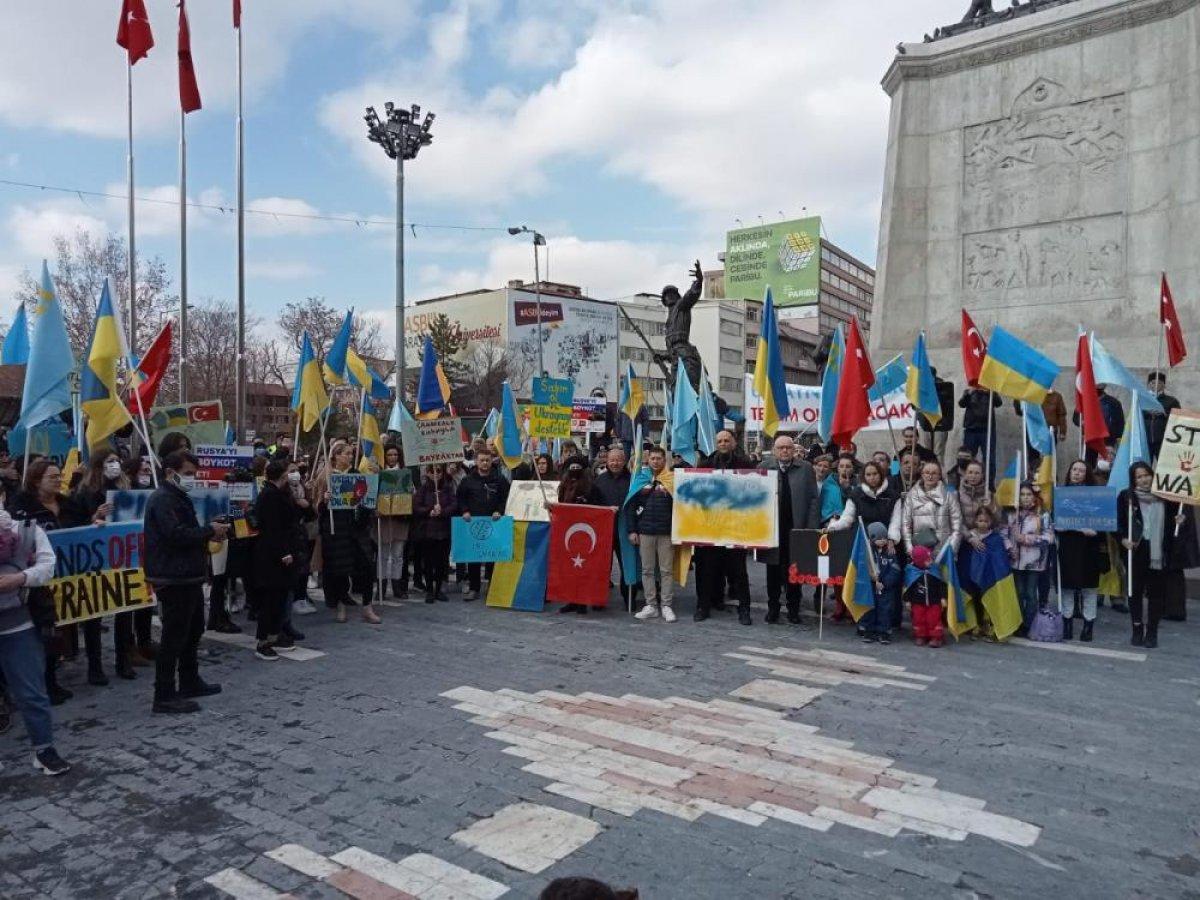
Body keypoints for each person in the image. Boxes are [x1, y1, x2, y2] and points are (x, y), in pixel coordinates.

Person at [143, 451, 230, 714]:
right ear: (171, 472)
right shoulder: (162, 499)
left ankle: (189, 680)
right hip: (173, 576)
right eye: (189, 473)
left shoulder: (178, 497)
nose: (193, 478)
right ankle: (165, 693)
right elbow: (176, 535)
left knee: (192, 630)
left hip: (188, 574)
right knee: (173, 636)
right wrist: (209, 531)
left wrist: (208, 532)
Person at [0, 488, 71, 775]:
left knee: (31, 691)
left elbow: (48, 565)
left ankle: (44, 750)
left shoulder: (26, 530)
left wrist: (21, 578)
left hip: (17, 624)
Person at [66, 452, 138, 681]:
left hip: (122, 557)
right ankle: (95, 667)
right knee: (93, 615)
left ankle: (123, 661)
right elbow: (73, 526)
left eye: (117, 460)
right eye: (109, 461)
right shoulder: (83, 493)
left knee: (125, 612)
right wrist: (94, 516)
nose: (115, 464)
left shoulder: (126, 489)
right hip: (95, 559)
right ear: (99, 465)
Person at [9, 460, 72, 705]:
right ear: (36, 480)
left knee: (54, 632)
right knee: (38, 633)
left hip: (65, 578)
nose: (58, 481)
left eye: (59, 477)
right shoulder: (21, 508)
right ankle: (37, 684)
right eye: (52, 477)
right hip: (34, 581)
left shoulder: (67, 503)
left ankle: (52, 681)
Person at [1118, 461, 1186, 649]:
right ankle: (1137, 629)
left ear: (1152, 475)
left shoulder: (1166, 496)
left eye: (1146, 474)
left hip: (1158, 551)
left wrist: (1180, 521)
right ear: (1134, 480)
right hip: (1136, 550)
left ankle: (1152, 632)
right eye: (1139, 476)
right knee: (1135, 592)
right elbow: (1120, 524)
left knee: (1156, 593)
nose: (1144, 479)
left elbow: (1174, 526)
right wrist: (1123, 539)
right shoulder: (1126, 497)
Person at [315, 440, 382, 624]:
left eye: (352, 454)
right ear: (336, 456)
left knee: (367, 568)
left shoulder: (356, 475)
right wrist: (325, 501)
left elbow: (365, 497)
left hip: (356, 529)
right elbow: (318, 508)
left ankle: (367, 607)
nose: (351, 457)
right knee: (339, 571)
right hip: (336, 530)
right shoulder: (326, 476)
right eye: (347, 454)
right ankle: (340, 606)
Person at [758, 435, 820, 626]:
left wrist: (809, 528)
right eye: (781, 448)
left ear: (794, 450)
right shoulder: (764, 468)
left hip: (796, 527)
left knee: (794, 571)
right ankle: (773, 609)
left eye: (788, 448)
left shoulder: (805, 469)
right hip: (773, 530)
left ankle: (794, 609)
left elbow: (813, 499)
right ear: (774, 451)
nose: (785, 451)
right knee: (773, 571)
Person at [695, 431, 753, 625]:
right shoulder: (705, 465)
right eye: (719, 440)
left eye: (727, 440)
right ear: (715, 443)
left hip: (735, 527)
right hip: (711, 527)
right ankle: (703, 607)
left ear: (734, 443)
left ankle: (744, 609)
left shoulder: (745, 464)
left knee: (739, 572)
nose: (723, 443)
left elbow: (754, 491)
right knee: (706, 570)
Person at [251, 460, 306, 661]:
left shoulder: (280, 493)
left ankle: (274, 636)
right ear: (282, 476)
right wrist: (284, 552)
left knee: (280, 598)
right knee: (270, 600)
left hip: (282, 552)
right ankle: (263, 641)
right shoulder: (269, 496)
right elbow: (273, 529)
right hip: (272, 557)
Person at [1058, 460, 1104, 642]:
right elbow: (1054, 519)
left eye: (1081, 470)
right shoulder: (1060, 494)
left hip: (1089, 548)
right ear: (1069, 472)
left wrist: (1096, 531)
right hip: (1068, 546)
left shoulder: (1095, 496)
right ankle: (1067, 625)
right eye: (1074, 469)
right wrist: (1057, 526)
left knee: (1089, 588)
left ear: (1087, 474)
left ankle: (1088, 627)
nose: (1077, 473)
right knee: (1067, 587)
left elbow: (1103, 521)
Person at [456, 447, 510, 601]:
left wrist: (499, 510)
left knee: (492, 558)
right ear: (476, 461)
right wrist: (465, 510)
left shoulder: (500, 479)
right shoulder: (467, 480)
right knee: (474, 558)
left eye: (487, 460)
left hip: (494, 524)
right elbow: (460, 498)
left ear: (492, 461)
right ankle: (474, 588)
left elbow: (505, 497)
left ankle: (493, 588)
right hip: (473, 524)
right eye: (482, 460)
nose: (485, 463)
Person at [630, 447, 675, 622]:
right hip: (645, 531)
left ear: (664, 461)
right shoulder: (640, 479)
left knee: (666, 571)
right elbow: (631, 506)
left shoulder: (671, 480)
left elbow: (680, 506)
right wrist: (632, 530)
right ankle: (651, 605)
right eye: (653, 458)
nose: (655, 461)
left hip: (666, 532)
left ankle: (666, 605)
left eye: (659, 458)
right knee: (647, 570)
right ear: (648, 460)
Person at [554, 455, 604, 615]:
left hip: (584, 533)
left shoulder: (592, 488)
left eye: (578, 468)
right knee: (569, 568)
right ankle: (572, 599)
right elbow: (560, 506)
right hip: (567, 532)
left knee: (584, 568)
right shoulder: (563, 486)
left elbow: (600, 508)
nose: (574, 471)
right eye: (572, 468)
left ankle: (583, 600)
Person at [1007, 481, 1054, 636]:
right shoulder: (1012, 513)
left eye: (1028, 495)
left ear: (1034, 497)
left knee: (1030, 593)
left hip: (1034, 562)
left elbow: (1048, 537)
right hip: (1015, 561)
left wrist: (1026, 539)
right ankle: (1018, 622)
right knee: (1018, 592)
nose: (1025, 498)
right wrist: (1009, 547)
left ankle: (1029, 624)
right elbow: (1003, 533)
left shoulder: (1042, 514)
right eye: (1022, 495)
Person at [413, 464, 457, 603]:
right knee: (428, 562)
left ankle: (438, 589)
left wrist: (442, 511)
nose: (436, 474)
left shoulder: (447, 488)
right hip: (427, 531)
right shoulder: (423, 489)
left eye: (439, 471)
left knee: (441, 562)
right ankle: (430, 590)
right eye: (433, 471)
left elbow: (454, 505)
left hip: (443, 530)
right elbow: (416, 507)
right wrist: (429, 511)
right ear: (428, 473)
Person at [901, 461, 963, 557]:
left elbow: (957, 525)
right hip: (920, 552)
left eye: (934, 473)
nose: (930, 476)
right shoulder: (911, 496)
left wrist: (952, 549)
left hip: (943, 551)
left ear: (939, 475)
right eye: (927, 472)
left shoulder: (949, 496)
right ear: (922, 474)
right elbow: (906, 524)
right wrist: (910, 549)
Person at [378, 445, 410, 600]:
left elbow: (412, 493)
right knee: (383, 555)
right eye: (389, 454)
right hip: (384, 520)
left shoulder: (406, 474)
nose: (392, 457)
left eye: (395, 454)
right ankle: (381, 587)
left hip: (400, 519)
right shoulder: (378, 474)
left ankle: (397, 587)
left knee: (398, 555)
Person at [862, 521, 901, 644]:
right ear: (872, 539)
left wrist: (886, 582)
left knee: (885, 610)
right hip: (872, 587)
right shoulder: (868, 552)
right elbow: (864, 568)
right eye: (879, 538)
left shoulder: (889, 552)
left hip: (885, 588)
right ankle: (869, 630)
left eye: (885, 538)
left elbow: (895, 570)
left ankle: (884, 632)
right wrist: (872, 578)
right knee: (870, 609)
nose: (883, 541)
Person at [904, 544, 946, 647]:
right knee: (918, 619)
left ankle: (936, 637)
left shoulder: (934, 570)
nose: (930, 562)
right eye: (927, 560)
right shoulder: (912, 572)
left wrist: (942, 597)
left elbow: (940, 585)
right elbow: (908, 587)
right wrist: (908, 600)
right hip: (918, 602)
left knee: (934, 619)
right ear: (919, 562)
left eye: (930, 559)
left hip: (934, 602)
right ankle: (920, 636)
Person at [958, 386, 1001, 482]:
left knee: (989, 459)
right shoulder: (969, 391)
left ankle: (989, 484)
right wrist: (969, 393)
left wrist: (990, 392)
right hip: (971, 429)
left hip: (987, 430)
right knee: (966, 458)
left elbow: (999, 403)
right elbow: (961, 404)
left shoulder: (990, 391)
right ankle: (965, 482)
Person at [918, 369, 955, 465]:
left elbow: (947, 404)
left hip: (940, 423)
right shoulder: (920, 387)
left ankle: (939, 474)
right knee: (925, 450)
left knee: (938, 452)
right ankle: (927, 472)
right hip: (924, 422)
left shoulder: (943, 387)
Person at [1144, 370, 1181, 459]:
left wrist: (1164, 414)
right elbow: (1135, 416)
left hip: (1163, 440)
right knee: (1145, 467)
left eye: (1159, 383)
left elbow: (1178, 418)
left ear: (1164, 385)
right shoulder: (1142, 399)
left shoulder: (1171, 401)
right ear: (1149, 384)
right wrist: (1146, 412)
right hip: (1145, 440)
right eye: (1153, 383)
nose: (1156, 385)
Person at [955, 460, 991, 534]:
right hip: (963, 537)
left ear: (982, 475)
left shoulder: (988, 494)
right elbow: (955, 520)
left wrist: (991, 507)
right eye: (970, 472)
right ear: (965, 474)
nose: (973, 476)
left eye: (977, 473)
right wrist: (969, 537)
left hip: (982, 535)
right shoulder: (957, 494)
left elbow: (997, 521)